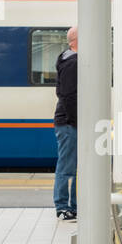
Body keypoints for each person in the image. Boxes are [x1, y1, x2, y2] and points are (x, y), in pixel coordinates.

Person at [53, 26, 78, 222]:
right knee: (67, 166)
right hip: (70, 123)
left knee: (75, 166)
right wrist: (77, 120)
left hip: (70, 122)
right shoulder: (72, 63)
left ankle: (75, 205)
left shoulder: (67, 58)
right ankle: (62, 206)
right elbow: (68, 95)